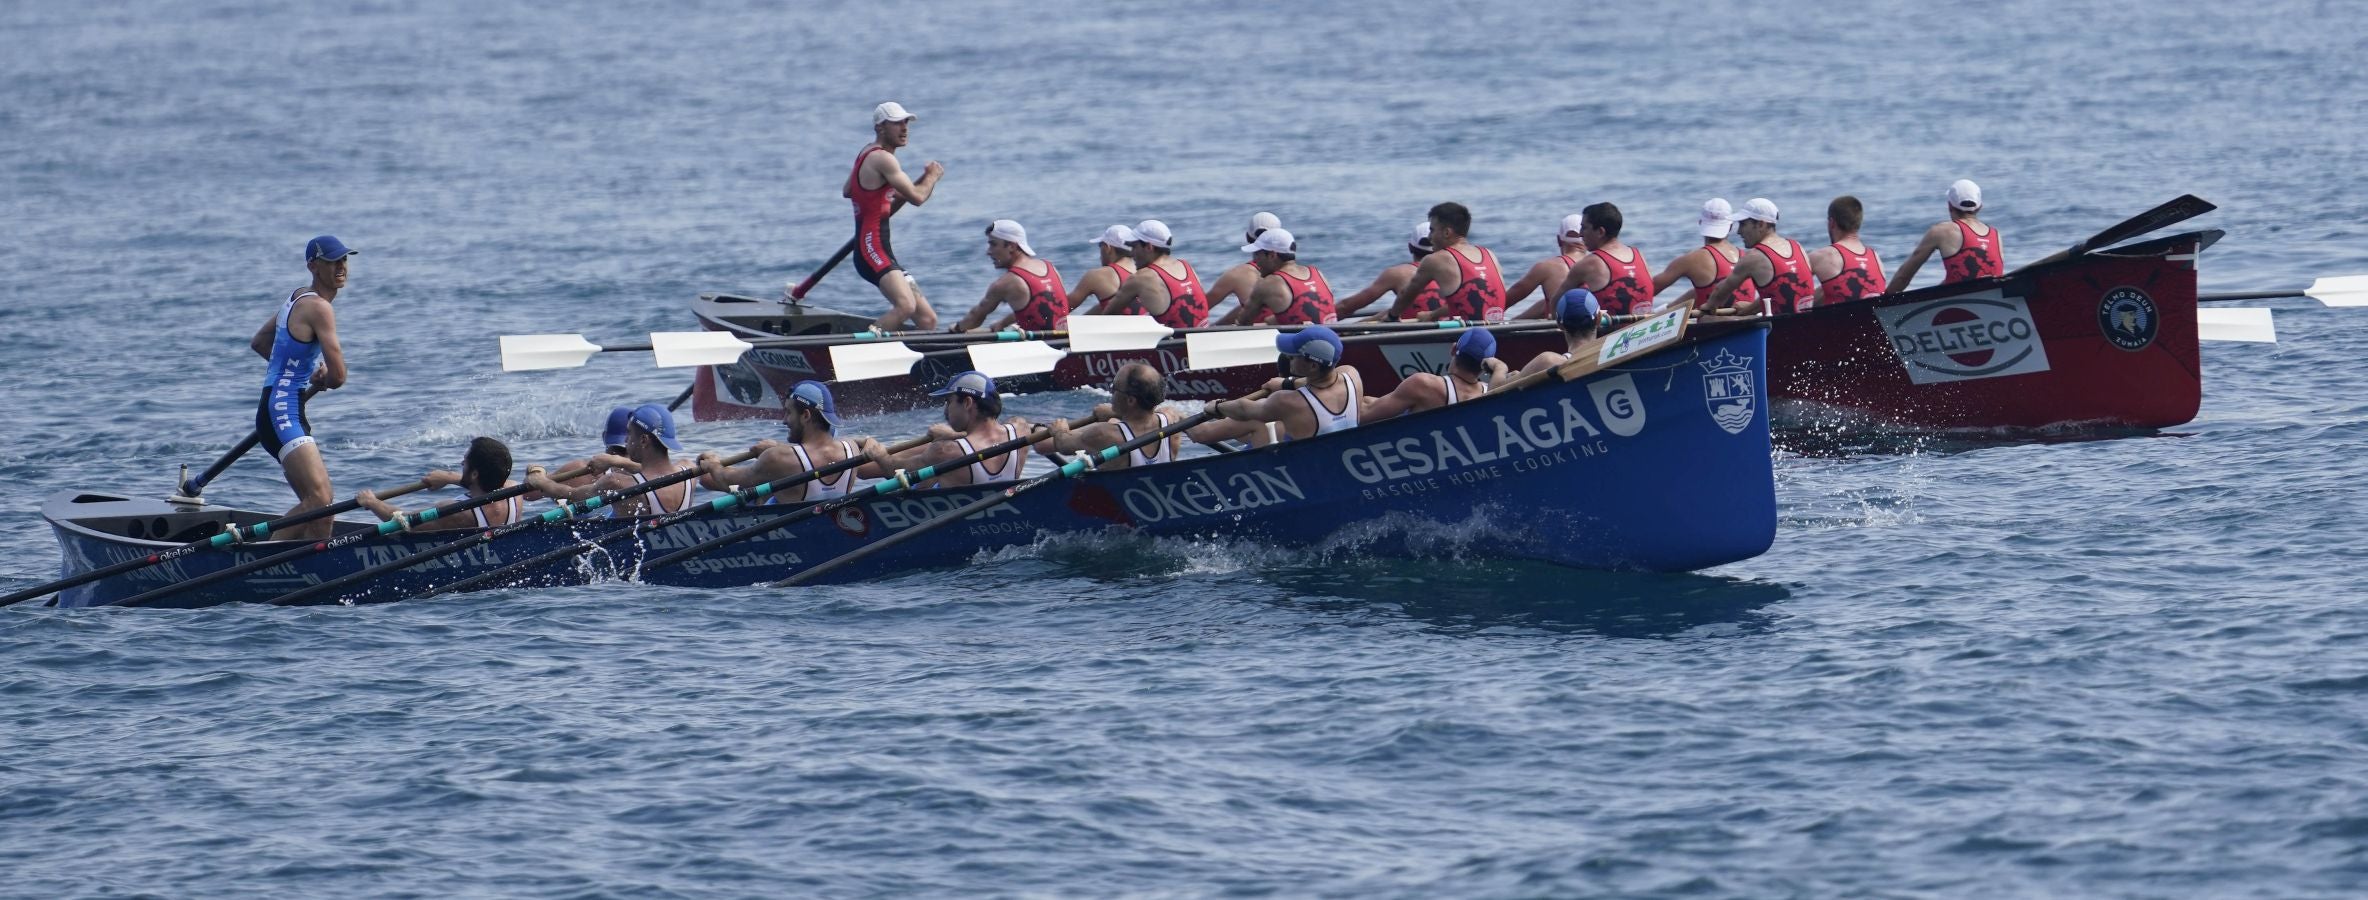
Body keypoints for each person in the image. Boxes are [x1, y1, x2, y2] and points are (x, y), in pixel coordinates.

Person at [246, 235, 355, 541]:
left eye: (344, 259)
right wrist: (319, 378)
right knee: (320, 502)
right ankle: (264, 562)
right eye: (333, 261)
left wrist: (300, 374)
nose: (341, 267)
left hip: (279, 408)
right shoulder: (319, 308)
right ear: (313, 266)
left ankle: (311, 568)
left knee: (322, 506)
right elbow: (339, 377)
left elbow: (260, 342)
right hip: (282, 412)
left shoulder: (296, 297)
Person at [827, 101, 946, 331]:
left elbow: (848, 191)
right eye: (897, 123)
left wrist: (889, 196)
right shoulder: (883, 158)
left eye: (906, 122)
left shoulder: (865, 153)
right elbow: (918, 198)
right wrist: (931, 176)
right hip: (872, 250)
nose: (904, 128)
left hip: (878, 249)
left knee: (928, 320)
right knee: (905, 306)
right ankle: (861, 355)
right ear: (880, 128)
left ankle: (914, 363)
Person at [697, 381, 889, 505]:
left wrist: (713, 465)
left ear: (806, 415)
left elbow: (731, 484)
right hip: (832, 526)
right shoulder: (852, 448)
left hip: (795, 536)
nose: (784, 421)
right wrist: (868, 440)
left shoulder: (778, 458)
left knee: (749, 498)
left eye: (789, 412)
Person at [524, 404, 693, 518]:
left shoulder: (617, 483)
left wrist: (541, 480)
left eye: (629, 434)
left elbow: (571, 495)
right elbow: (656, 472)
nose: (626, 440)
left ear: (643, 440)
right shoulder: (689, 470)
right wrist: (619, 461)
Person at [872, 370, 1035, 487]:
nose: (946, 409)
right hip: (1001, 508)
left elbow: (894, 470)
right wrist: (954, 435)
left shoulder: (945, 451)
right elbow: (987, 437)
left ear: (967, 403)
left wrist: (880, 455)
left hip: (960, 524)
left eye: (949, 401)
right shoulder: (1020, 429)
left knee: (923, 482)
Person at [1214, 325, 1366, 440]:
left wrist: (1217, 406)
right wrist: (1287, 383)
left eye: (1293, 356)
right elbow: (1322, 382)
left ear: (1313, 366)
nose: (1287, 357)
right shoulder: (1351, 376)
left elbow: (1244, 409)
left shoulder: (1288, 401)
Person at [356, 437, 526, 532]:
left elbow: (405, 522)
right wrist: (450, 478)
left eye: (465, 462)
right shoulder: (515, 493)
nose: (461, 463)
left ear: (474, 474)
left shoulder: (456, 511)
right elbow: (488, 486)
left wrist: (372, 502)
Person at [1047, 363, 1187, 469]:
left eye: (1114, 388)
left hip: (1116, 502)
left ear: (1131, 400)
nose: (1111, 393)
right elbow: (1149, 413)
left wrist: (1059, 430)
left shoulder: (1104, 434)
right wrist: (1117, 413)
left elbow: (1064, 445)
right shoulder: (1172, 421)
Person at [1360, 328, 1508, 422]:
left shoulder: (1423, 385)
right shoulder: (1491, 393)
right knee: (1370, 400)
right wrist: (1500, 369)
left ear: (1453, 349)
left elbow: (1364, 415)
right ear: (1486, 367)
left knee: (1366, 402)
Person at [1393, 203, 1505, 322]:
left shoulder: (1435, 259)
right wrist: (1433, 315)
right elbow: (1476, 300)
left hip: (1465, 337)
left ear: (1447, 233)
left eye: (1432, 230)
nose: (1430, 237)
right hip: (1498, 332)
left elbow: (1407, 295)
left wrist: (1391, 317)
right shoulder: (1489, 254)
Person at [952, 220, 1067, 333]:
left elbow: (974, 318)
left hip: (1040, 349)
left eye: (993, 244)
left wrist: (956, 328)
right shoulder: (1049, 267)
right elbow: (1046, 309)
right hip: (1066, 344)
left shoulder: (1006, 283)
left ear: (1011, 246)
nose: (988, 252)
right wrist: (1004, 323)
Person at [1706, 198, 1814, 316]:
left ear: (1761, 224)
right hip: (1806, 323)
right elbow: (1782, 294)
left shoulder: (1754, 257)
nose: (1739, 231)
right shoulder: (1798, 247)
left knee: (1707, 319)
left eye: (1743, 224)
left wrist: (1706, 308)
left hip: (1781, 329)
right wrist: (1749, 309)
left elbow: (1719, 295)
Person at [1888, 179, 2000, 292]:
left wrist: (1881, 303)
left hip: (1960, 303)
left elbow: (1903, 277)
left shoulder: (1941, 231)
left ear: (1949, 206)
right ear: (1980, 206)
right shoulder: (1995, 235)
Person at [1650, 199, 1759, 312]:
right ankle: (1663, 311)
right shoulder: (1747, 256)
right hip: (1749, 323)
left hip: (1716, 327)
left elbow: (1651, 289)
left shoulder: (1692, 259)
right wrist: (1665, 310)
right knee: (1702, 289)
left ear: (1700, 223)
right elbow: (1705, 291)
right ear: (1731, 226)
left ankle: (1660, 312)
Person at [1099, 220, 1209, 327]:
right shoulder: (1186, 266)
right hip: (1202, 340)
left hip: (1174, 345)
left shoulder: (1141, 277)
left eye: (1134, 247)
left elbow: (1108, 316)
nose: (1132, 254)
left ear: (1149, 247)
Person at [1550, 202, 1653, 316]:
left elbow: (1556, 304)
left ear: (1600, 232)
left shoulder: (1590, 263)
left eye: (1584, 228)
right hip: (1644, 329)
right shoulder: (1639, 255)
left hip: (1612, 332)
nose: (1580, 234)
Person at [1218, 228, 1335, 325]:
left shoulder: (1269, 283)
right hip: (1333, 342)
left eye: (1257, 255)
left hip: (1303, 350)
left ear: (1272, 255)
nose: (1255, 261)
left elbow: (1243, 323)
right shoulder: (1317, 273)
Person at [1333, 221, 1436, 319]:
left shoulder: (1398, 273)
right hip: (1447, 331)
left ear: (1410, 247)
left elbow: (1345, 308)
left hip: (1417, 334)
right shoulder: (1450, 269)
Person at [1808, 195, 1888, 306]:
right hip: (1875, 320)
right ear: (1858, 223)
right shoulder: (1875, 257)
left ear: (1831, 223)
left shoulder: (1823, 255)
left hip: (1840, 321)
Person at [1203, 212, 1282, 323]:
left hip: (1257, 336)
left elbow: (1198, 310)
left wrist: (1213, 329)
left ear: (1247, 236)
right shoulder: (1294, 272)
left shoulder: (1237, 275)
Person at [1505, 215, 1589, 318]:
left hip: (1562, 331)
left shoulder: (1548, 267)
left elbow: (1504, 302)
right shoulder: (1597, 265)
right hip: (1596, 326)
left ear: (1559, 240)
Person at [1518, 289, 1611, 376]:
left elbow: (1504, 387)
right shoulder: (1613, 355)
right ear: (1598, 320)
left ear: (1560, 325)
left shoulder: (1547, 362)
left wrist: (1503, 369)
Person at [1065, 225, 1138, 316]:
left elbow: (1063, 308)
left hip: (1120, 329)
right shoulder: (1145, 272)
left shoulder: (1097, 275)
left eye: (1100, 245)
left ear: (1107, 248)